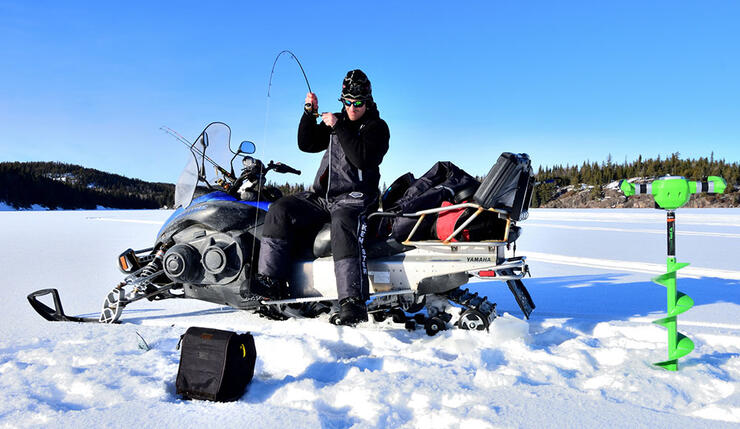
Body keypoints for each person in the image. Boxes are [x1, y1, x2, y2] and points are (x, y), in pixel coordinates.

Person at [254, 69, 390, 325]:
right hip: (322, 197)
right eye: (347, 102)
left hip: (356, 197)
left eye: (357, 103)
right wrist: (308, 114)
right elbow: (306, 144)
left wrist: (339, 127)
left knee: (343, 223)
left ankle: (352, 301)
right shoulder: (337, 123)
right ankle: (271, 282)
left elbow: (362, 157)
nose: (352, 107)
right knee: (280, 209)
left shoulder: (376, 128)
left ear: (368, 101)